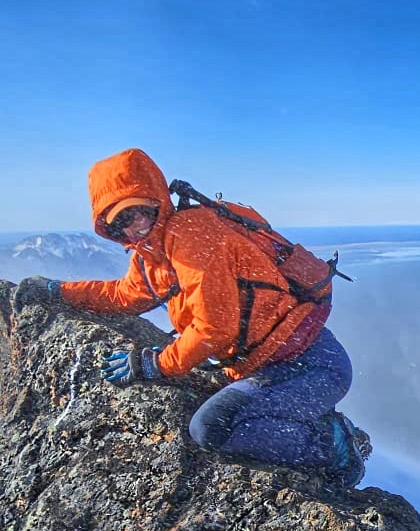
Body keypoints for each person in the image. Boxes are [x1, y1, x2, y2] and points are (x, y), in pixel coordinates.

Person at [19, 148, 370, 487]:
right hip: (280, 367)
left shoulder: (190, 235)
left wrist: (154, 364)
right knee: (224, 422)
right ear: (110, 229)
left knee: (214, 428)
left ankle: (338, 448)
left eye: (141, 210)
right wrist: (60, 292)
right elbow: (125, 295)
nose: (136, 224)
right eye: (123, 220)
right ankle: (314, 421)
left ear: (158, 198)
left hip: (310, 366)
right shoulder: (151, 256)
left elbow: (215, 329)